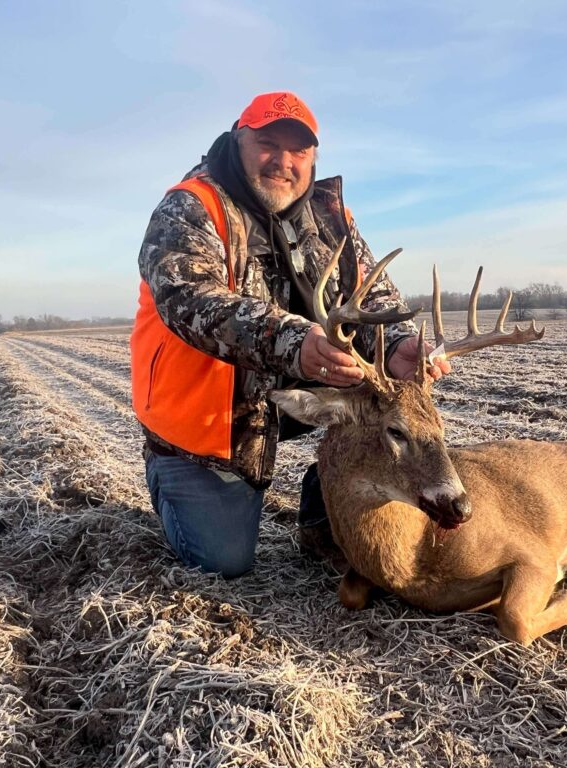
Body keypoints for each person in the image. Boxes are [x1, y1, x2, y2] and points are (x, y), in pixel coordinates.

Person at [130, 91, 449, 578]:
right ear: (239, 141)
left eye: (298, 151)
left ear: (313, 158)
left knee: (377, 406)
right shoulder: (191, 208)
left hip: (298, 385)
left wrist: (403, 344)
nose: (283, 161)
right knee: (223, 561)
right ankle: (169, 476)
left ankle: (328, 495)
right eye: (268, 144)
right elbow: (191, 301)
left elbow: (374, 295)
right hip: (211, 418)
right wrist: (295, 343)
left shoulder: (330, 216)